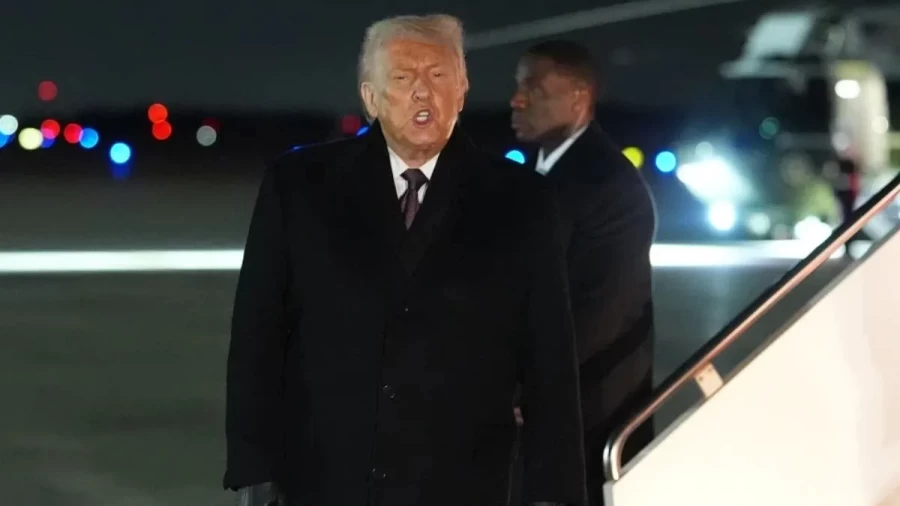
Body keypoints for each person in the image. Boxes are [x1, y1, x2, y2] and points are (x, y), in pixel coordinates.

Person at [223, 14, 586, 506]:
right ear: (370, 98)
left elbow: (550, 359)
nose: (422, 92)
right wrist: (254, 469)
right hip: (324, 479)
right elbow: (257, 334)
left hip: (461, 483)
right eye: (402, 77)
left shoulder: (522, 199)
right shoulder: (299, 186)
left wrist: (553, 491)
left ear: (462, 91)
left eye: (437, 75)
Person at [508, 40, 657, 506]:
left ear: (579, 97)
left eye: (534, 88)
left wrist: (519, 385)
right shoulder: (542, 180)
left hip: (586, 419)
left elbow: (599, 312)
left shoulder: (608, 187)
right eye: (518, 87)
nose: (517, 100)